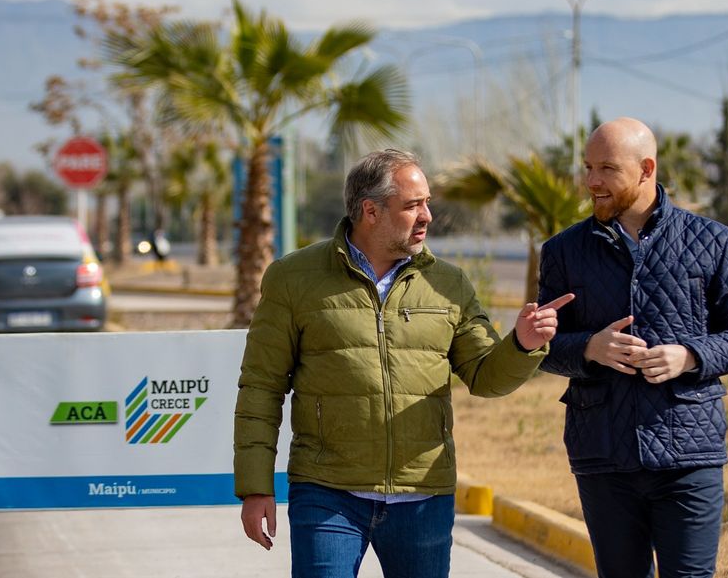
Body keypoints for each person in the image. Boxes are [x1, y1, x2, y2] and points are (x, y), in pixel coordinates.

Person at [233, 148, 574, 578]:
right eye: (413, 205)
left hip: (423, 497)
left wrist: (522, 345)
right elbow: (261, 386)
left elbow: (486, 378)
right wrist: (255, 487)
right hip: (328, 493)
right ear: (370, 211)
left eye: (427, 202)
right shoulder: (293, 278)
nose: (427, 215)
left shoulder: (448, 283)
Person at [537, 117, 728, 578]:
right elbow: (544, 347)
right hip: (602, 452)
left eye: (606, 169)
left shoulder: (714, 241)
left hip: (689, 453)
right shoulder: (563, 250)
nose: (592, 181)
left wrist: (690, 356)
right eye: (587, 167)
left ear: (646, 169)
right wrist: (589, 348)